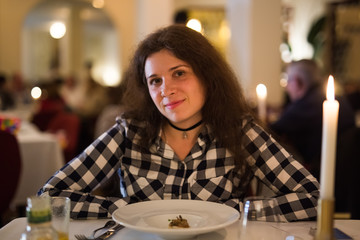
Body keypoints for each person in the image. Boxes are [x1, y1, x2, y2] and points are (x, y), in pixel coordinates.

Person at [39, 25, 319, 222]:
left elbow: (312, 198)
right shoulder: (129, 132)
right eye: (155, 81)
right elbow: (50, 197)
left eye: (179, 73)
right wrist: (126, 209)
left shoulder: (239, 130)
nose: (166, 89)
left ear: (207, 77)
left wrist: (236, 210)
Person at [270, 59, 355, 180]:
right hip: (348, 176)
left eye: (288, 81)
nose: (286, 88)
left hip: (323, 178)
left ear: (298, 82)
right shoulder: (337, 99)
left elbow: (270, 131)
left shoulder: (305, 105)